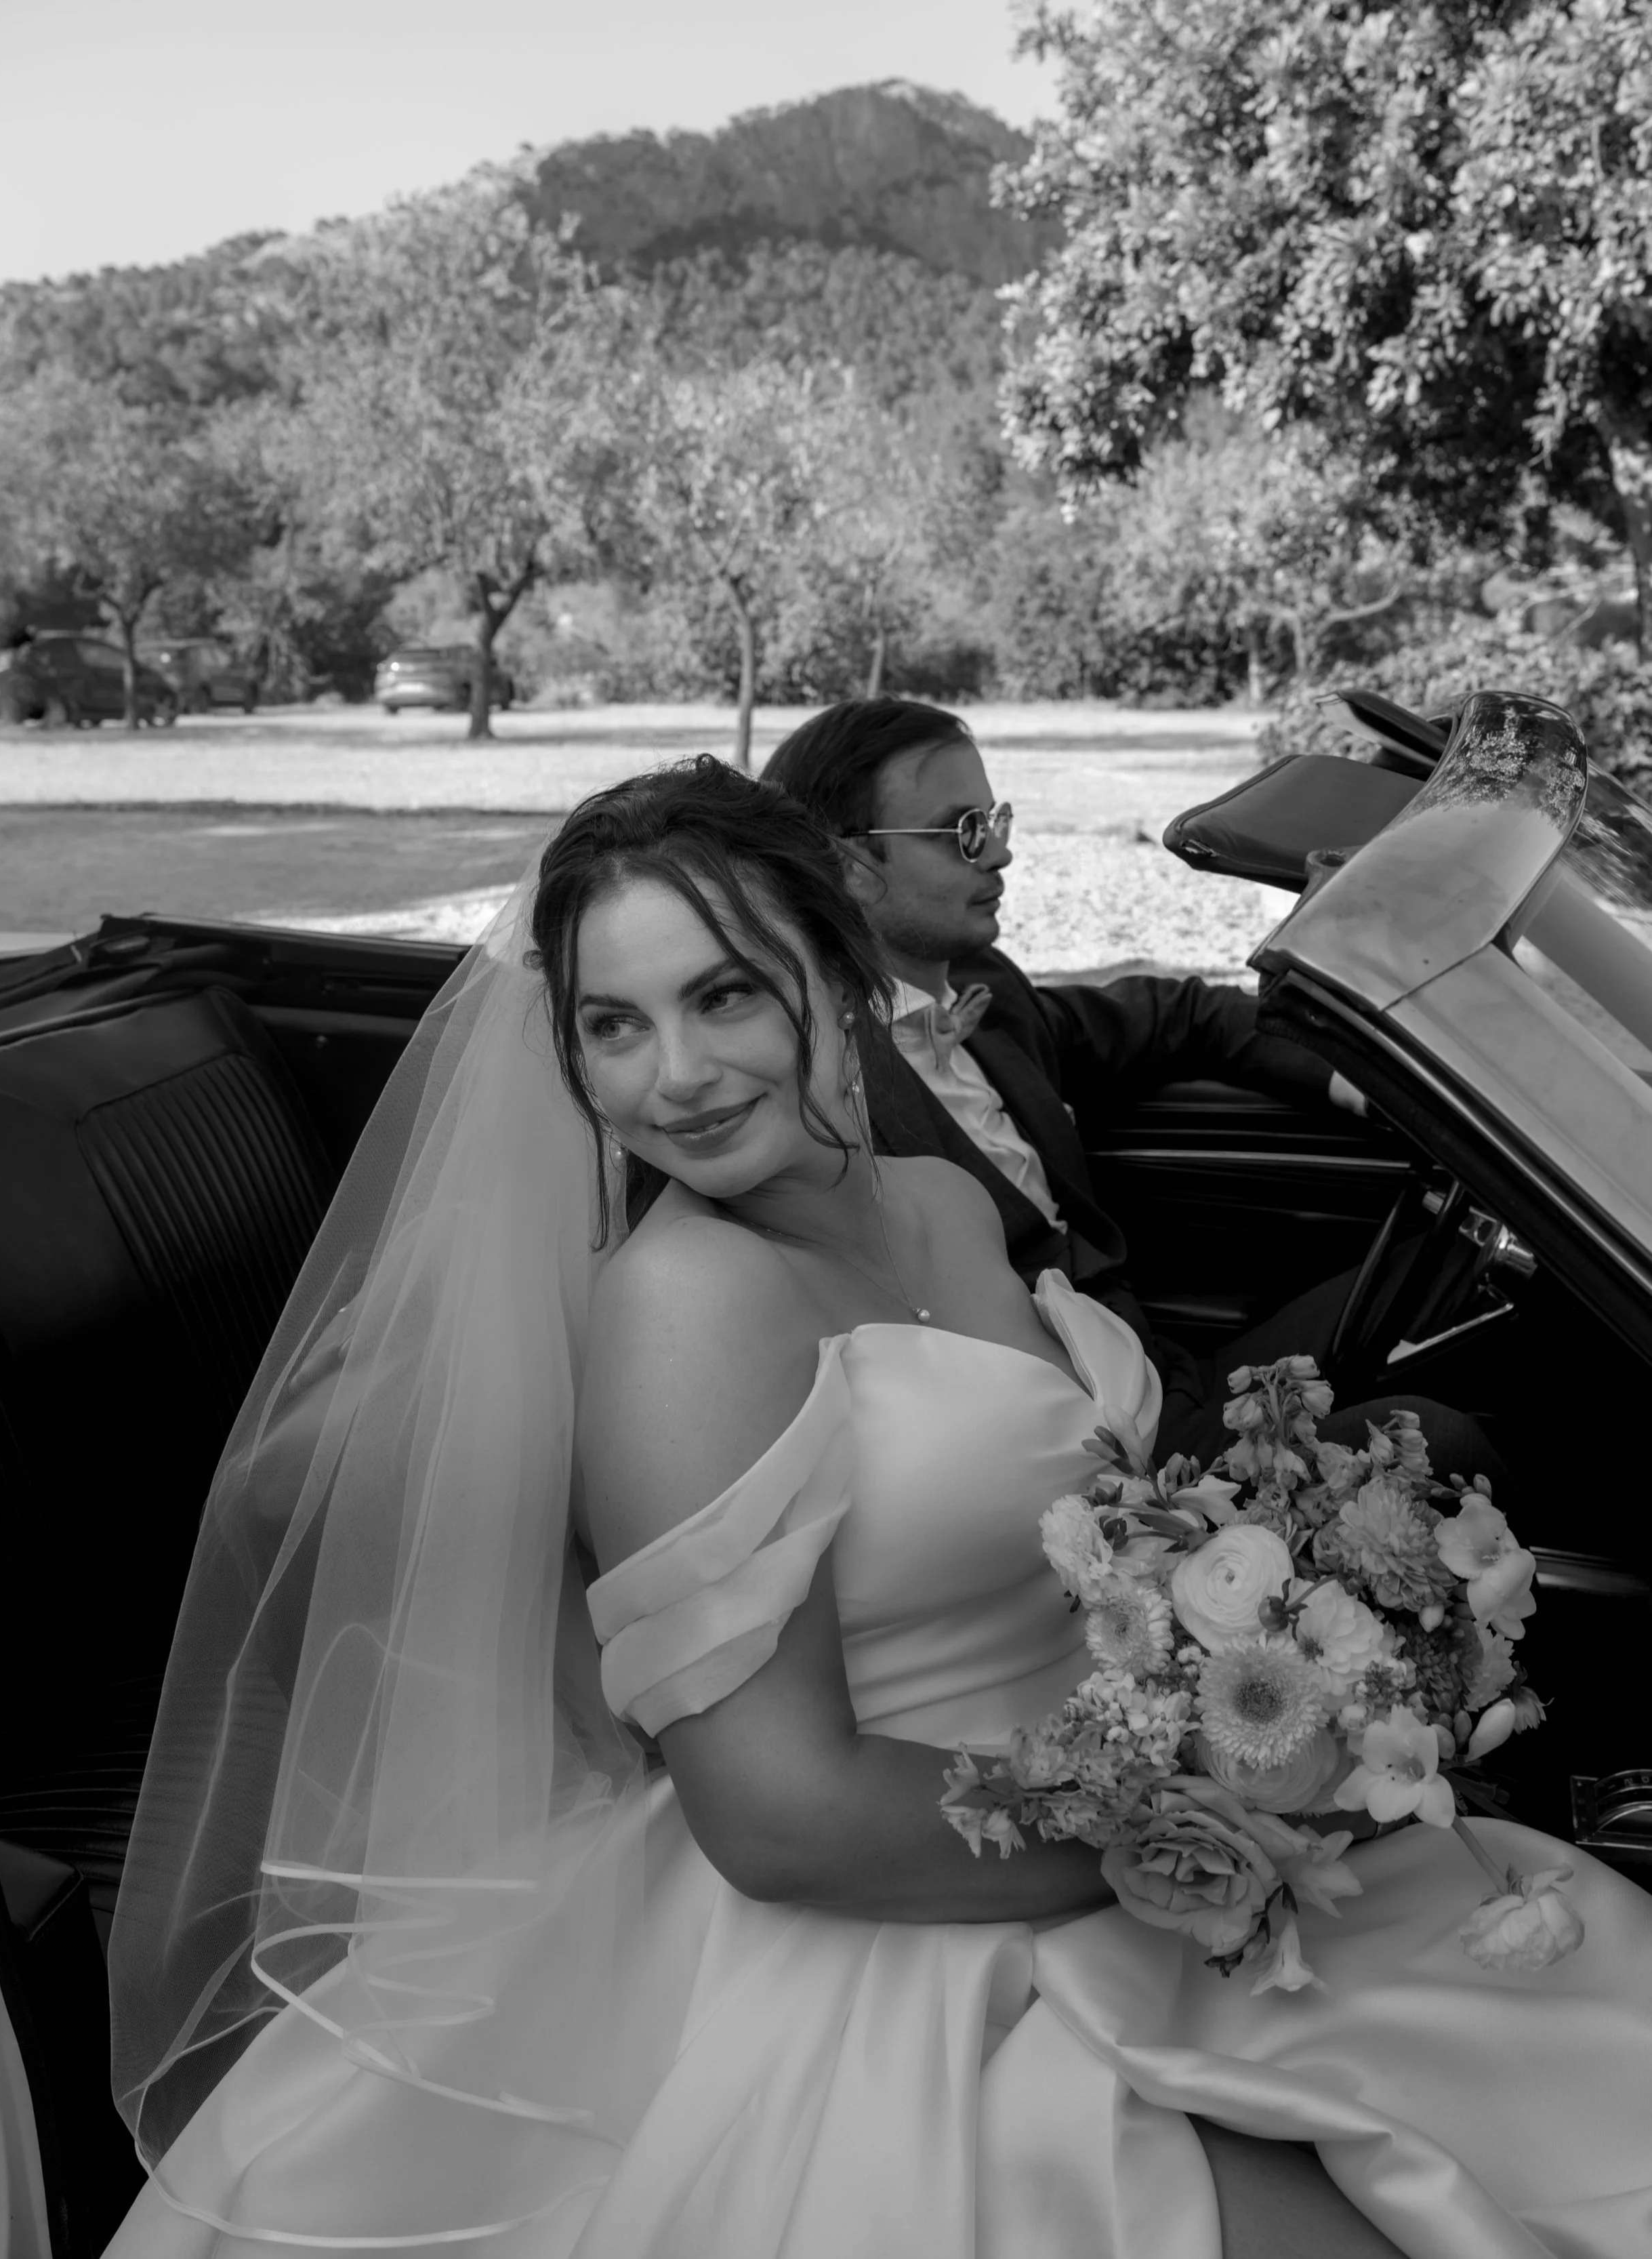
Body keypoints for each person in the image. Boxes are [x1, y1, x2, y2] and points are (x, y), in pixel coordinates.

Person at [104, 758, 1652, 2259]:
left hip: (1121, 1819)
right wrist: (1225, 1823)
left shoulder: (940, 1203)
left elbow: (1088, 1530)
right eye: (613, 1026)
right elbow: (782, 1820)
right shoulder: (684, 1312)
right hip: (909, 1926)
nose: (678, 1075)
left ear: (841, 978)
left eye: (726, 995)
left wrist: (1303, 1667)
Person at [762, 697, 1489, 1471]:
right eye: (965, 832)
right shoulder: (813, 1092)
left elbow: (1177, 1014)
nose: (1001, 856)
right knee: (1440, 1444)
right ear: (849, 868)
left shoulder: (988, 994)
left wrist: (1359, 1077)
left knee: (1469, 1264)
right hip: (1089, 1456)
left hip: (1166, 1374)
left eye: (996, 820)